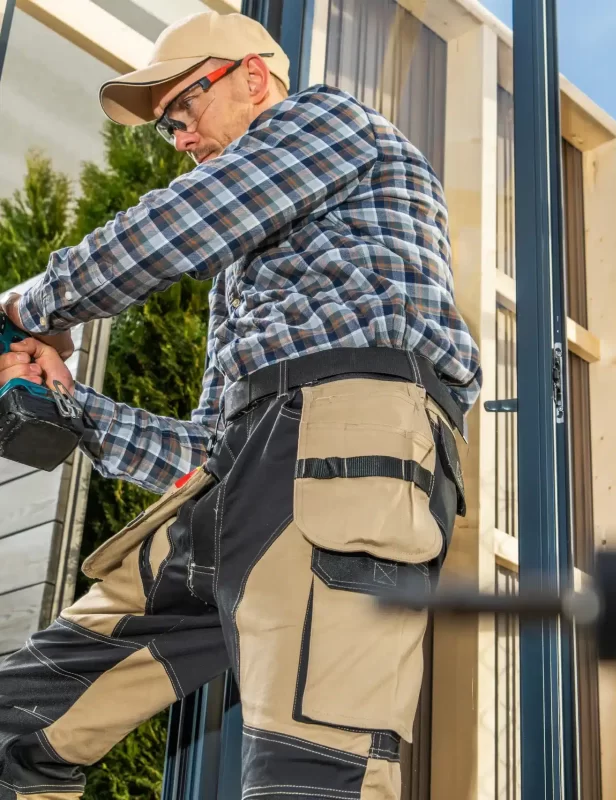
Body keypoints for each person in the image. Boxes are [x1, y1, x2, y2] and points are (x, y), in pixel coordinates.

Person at [0, 10, 480, 800]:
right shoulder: (244, 277)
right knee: (16, 729)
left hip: (347, 451)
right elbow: (204, 449)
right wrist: (73, 404)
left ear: (252, 77)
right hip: (240, 481)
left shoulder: (328, 122)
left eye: (183, 110)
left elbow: (179, 224)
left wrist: (30, 308)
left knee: (312, 777)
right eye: (167, 129)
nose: (180, 139)